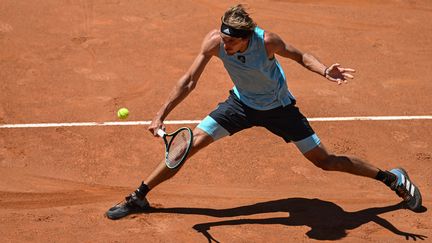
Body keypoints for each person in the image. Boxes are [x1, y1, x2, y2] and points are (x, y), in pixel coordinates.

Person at [106, 4, 422, 220]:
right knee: (186, 146)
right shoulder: (215, 41)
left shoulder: (267, 41)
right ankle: (139, 196)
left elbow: (301, 56)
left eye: (230, 43)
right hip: (240, 105)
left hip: (280, 109)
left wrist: (325, 70)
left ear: (246, 38)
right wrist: (161, 114)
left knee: (325, 161)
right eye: (223, 39)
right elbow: (189, 80)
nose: (224, 47)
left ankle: (392, 177)